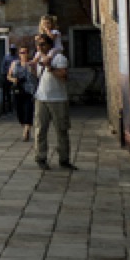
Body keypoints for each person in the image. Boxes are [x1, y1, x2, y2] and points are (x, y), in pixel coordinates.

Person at [33, 35, 73, 171]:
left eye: (42, 44)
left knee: (61, 130)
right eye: (38, 44)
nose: (39, 47)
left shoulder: (59, 58)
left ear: (50, 45)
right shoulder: (39, 59)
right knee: (40, 129)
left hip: (58, 99)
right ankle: (41, 158)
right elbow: (38, 76)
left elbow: (64, 76)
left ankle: (64, 159)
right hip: (41, 98)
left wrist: (50, 67)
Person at [7, 44, 38, 141]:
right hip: (18, 90)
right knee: (20, 112)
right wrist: (13, 79)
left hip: (29, 91)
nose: (23, 54)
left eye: (25, 52)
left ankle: (26, 131)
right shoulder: (14, 63)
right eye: (21, 52)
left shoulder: (32, 64)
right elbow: (8, 76)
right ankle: (25, 126)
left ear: (28, 53)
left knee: (28, 110)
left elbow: (37, 76)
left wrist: (32, 69)